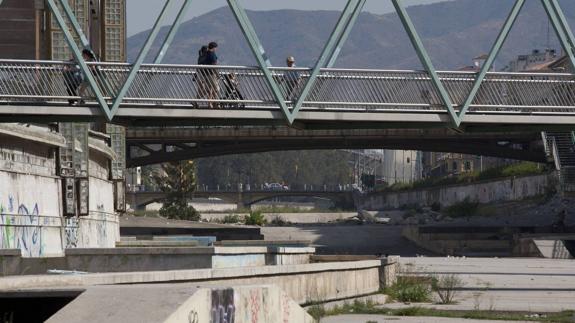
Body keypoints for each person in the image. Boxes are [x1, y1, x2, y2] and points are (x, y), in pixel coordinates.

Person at [204, 42, 219, 108]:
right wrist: (217, 73)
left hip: (207, 73)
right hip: (212, 73)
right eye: (216, 48)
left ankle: (211, 103)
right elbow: (214, 64)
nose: (216, 49)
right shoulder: (212, 54)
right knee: (216, 88)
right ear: (213, 48)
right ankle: (213, 103)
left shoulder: (206, 54)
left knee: (210, 88)